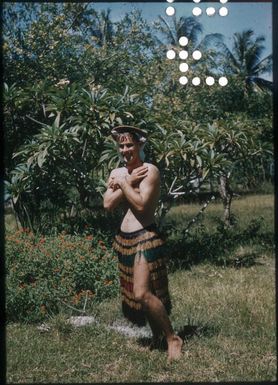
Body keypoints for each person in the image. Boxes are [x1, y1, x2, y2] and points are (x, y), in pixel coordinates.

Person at [103, 125, 183, 362]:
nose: (125, 149)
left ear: (140, 145)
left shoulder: (150, 171)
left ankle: (172, 338)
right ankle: (157, 337)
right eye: (122, 145)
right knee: (139, 294)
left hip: (144, 236)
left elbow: (140, 206)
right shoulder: (119, 172)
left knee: (142, 293)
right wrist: (128, 180)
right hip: (124, 240)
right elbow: (108, 205)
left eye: (130, 144)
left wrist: (124, 183)